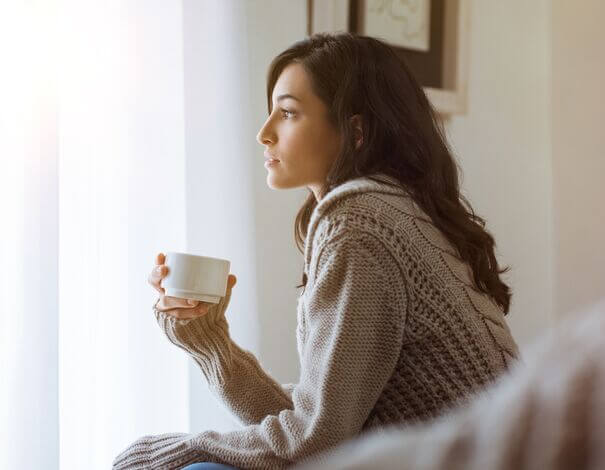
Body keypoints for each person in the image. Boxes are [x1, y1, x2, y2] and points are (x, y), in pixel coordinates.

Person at [113, 32, 519, 469]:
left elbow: (315, 440)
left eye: (287, 113)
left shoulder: (360, 222)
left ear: (355, 130)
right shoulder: (389, 209)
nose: (264, 133)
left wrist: (186, 448)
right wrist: (209, 341)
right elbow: (320, 424)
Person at [291, 299, 605, 470]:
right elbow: (318, 412)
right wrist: (237, 359)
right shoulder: (406, 209)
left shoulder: (356, 222)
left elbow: (316, 436)